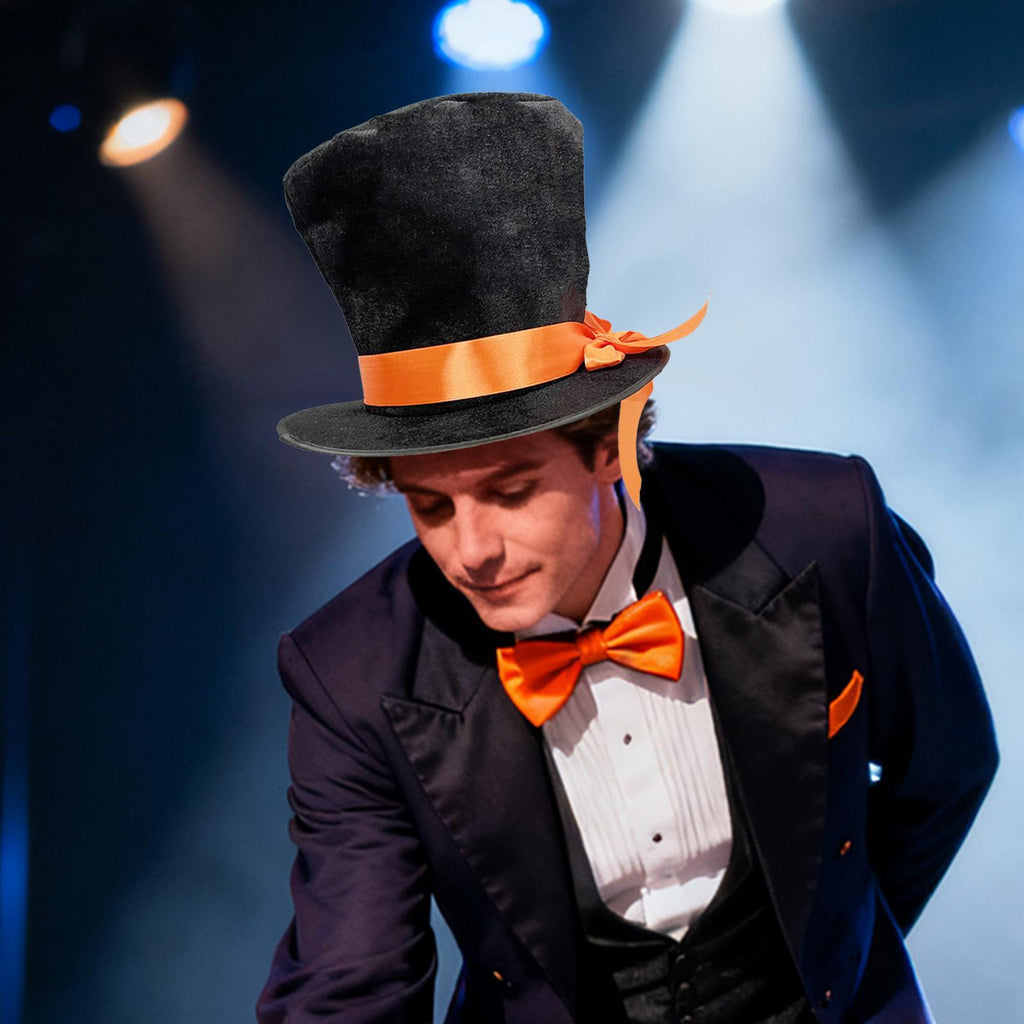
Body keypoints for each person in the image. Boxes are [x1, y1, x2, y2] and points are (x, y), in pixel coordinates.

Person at [256, 92, 997, 1024]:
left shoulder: (825, 525)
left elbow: (947, 769)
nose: (471, 550)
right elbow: (349, 977)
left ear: (609, 444)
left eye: (511, 491)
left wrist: (834, 947)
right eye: (430, 506)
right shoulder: (349, 673)